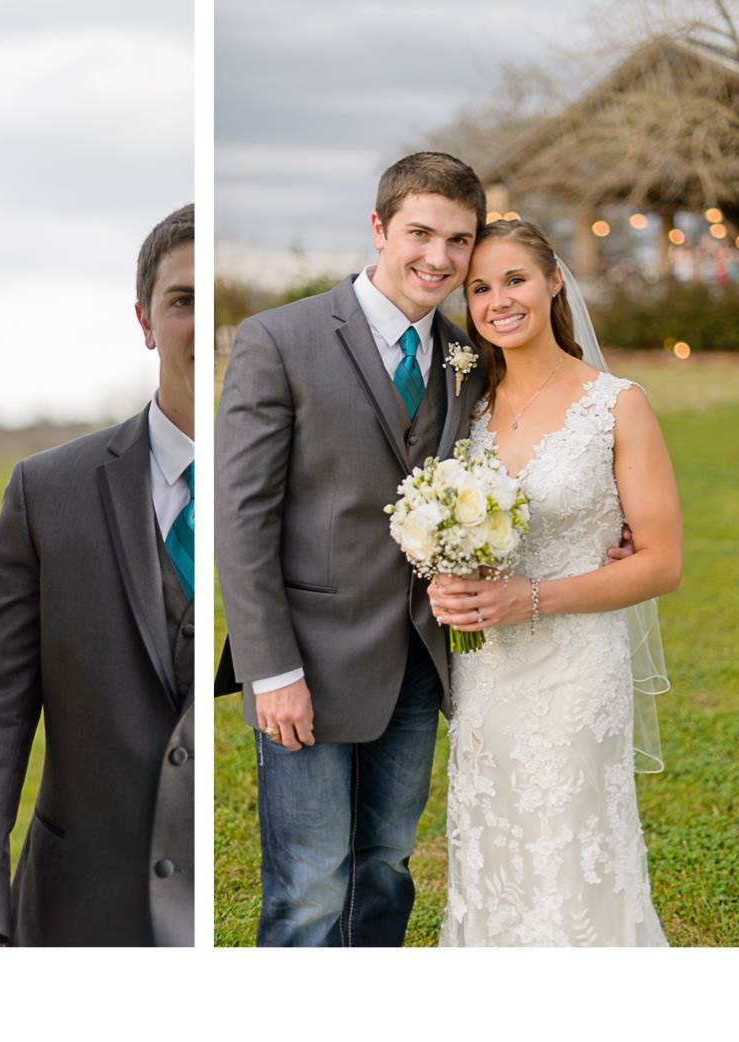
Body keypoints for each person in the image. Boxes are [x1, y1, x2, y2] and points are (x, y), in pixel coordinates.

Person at [215, 152, 493, 946]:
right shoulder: (281, 339)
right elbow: (242, 516)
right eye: (420, 233)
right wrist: (272, 672)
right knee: (307, 886)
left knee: (385, 866)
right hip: (308, 662)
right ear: (378, 228)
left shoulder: (465, 359)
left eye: (459, 240)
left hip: (417, 657)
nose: (438, 257)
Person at [0, 204, 195, 946]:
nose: (200, 325)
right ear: (144, 320)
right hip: (77, 911)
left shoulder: (299, 481)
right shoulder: (47, 490)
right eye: (181, 301)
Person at [426, 219, 681, 945]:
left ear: (553, 282)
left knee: (572, 854)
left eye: (515, 280)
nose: (498, 300)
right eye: (479, 288)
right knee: (490, 850)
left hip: (575, 667)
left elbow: (662, 561)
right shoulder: (462, 407)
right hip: (487, 673)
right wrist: (447, 579)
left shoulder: (616, 404)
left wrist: (531, 599)